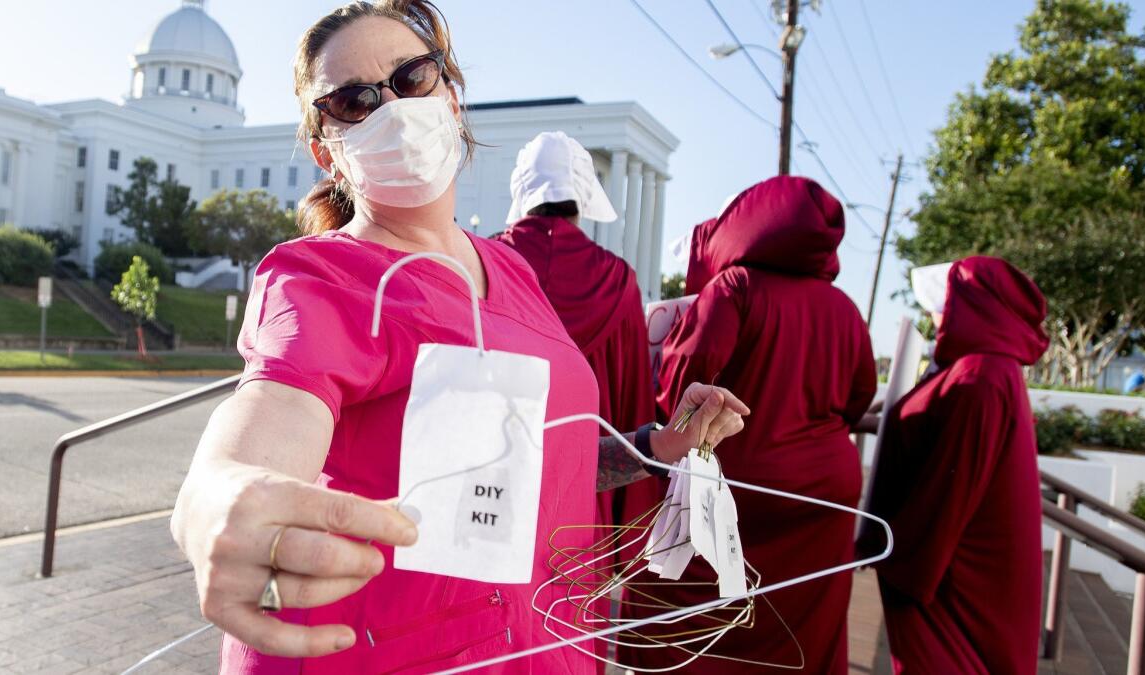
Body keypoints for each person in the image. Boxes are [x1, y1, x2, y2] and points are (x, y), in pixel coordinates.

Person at [167, 3, 749, 673]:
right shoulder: (318, 278)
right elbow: (269, 412)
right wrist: (215, 495)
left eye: (411, 78)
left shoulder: (513, 271)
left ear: (452, 96)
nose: (391, 108)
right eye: (354, 101)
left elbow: (534, 459)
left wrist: (660, 446)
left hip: (548, 642)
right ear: (328, 150)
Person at [622, 176, 877, 673]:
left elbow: (684, 390)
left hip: (743, 483)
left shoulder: (734, 287)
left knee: (676, 608)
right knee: (801, 623)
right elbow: (858, 396)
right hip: (823, 494)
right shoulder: (844, 307)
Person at [862, 256, 1049, 675]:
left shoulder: (977, 376)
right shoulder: (986, 366)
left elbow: (950, 487)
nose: (936, 317)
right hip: (969, 559)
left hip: (956, 569)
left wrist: (901, 560)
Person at [496, 131, 656, 532]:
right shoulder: (617, 280)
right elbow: (632, 404)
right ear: (582, 198)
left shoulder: (486, 264)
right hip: (584, 492)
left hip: (492, 490)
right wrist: (631, 530)